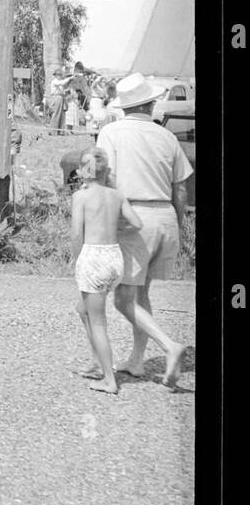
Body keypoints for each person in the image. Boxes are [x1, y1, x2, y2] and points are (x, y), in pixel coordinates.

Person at [94, 72, 190, 388]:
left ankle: (169, 346)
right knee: (142, 292)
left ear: (123, 106)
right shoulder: (167, 137)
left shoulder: (111, 133)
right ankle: (136, 360)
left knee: (122, 298)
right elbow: (180, 189)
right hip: (165, 215)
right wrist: (177, 225)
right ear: (150, 104)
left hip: (133, 216)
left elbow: (105, 178)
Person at [70, 148, 143, 395]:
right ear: (106, 171)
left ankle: (109, 379)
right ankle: (97, 361)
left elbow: (76, 233)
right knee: (83, 309)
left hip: (93, 256)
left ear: (82, 172)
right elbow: (137, 223)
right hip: (114, 257)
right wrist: (115, 228)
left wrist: (78, 260)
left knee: (98, 321)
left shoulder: (80, 197)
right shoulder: (117, 195)